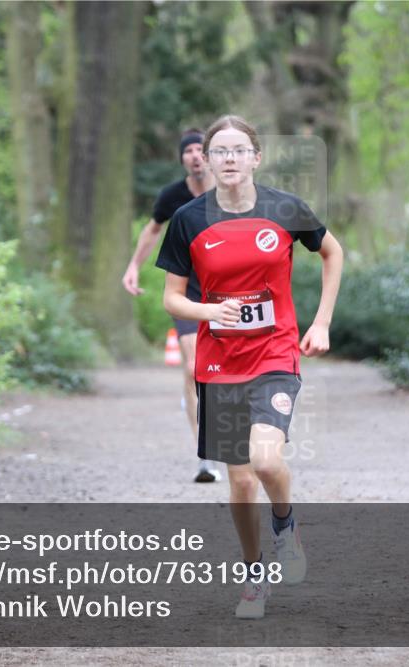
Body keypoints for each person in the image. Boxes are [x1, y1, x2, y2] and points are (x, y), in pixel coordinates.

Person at [156, 115, 344, 619]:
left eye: (240, 150)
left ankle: (286, 528)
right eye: (220, 151)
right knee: (239, 482)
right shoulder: (189, 220)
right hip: (220, 362)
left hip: (275, 354)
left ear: (256, 157)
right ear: (208, 160)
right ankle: (253, 574)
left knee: (264, 462)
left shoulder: (285, 209)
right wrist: (208, 311)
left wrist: (321, 322)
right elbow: (172, 298)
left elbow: (332, 252)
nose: (230, 159)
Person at [123, 129, 221, 483]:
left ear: (209, 156)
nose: (195, 155)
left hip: (227, 290)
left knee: (227, 371)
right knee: (195, 367)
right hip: (187, 290)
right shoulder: (173, 196)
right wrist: (134, 265)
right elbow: (151, 231)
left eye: (201, 149)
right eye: (189, 151)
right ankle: (206, 456)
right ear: (182, 159)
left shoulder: (228, 192)